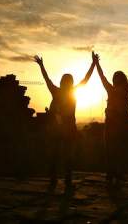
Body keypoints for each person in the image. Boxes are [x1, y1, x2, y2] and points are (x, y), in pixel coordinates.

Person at [34, 52, 96, 190]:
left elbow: (47, 79)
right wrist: (93, 63)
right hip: (65, 128)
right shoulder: (71, 92)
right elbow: (86, 79)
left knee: (57, 153)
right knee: (65, 154)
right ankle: (65, 178)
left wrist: (41, 65)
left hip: (60, 128)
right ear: (70, 82)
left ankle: (54, 178)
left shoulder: (56, 91)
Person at [94, 53, 128, 185]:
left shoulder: (113, 89)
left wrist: (96, 63)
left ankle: (112, 173)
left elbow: (102, 76)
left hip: (115, 123)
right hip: (120, 124)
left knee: (112, 149)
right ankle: (116, 173)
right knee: (118, 149)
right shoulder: (125, 89)